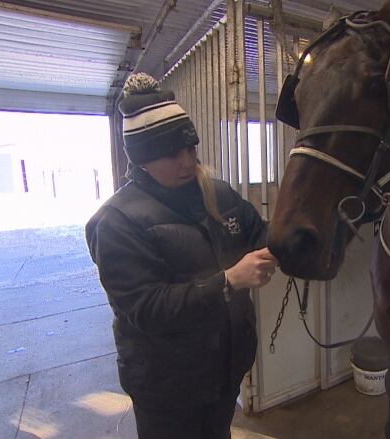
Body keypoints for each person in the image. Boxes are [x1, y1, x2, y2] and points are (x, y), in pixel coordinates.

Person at [85, 72, 276, 439]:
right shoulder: (116, 222)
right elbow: (147, 308)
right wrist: (229, 280)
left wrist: (281, 244)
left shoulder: (217, 194)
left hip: (225, 369)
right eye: (172, 153)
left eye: (190, 149)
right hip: (166, 385)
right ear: (142, 157)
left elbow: (257, 230)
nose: (187, 161)